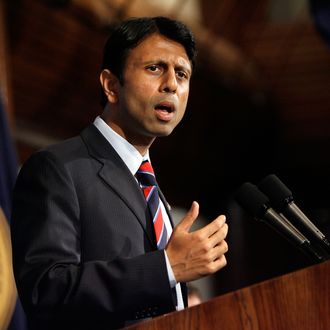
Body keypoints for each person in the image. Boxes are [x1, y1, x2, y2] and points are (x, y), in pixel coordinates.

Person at [11, 16, 229, 329]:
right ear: (111, 85)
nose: (171, 84)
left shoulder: (149, 184)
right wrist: (167, 266)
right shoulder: (57, 168)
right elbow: (47, 291)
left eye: (182, 73)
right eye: (155, 68)